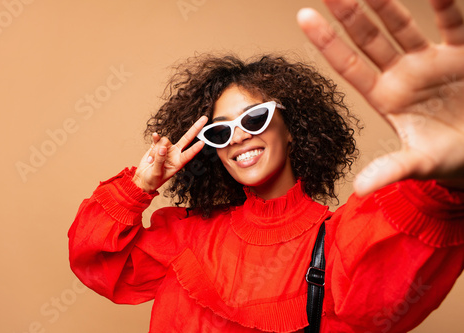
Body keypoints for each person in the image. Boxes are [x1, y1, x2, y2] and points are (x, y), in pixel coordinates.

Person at [68, 0, 464, 332]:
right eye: (220, 133)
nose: (238, 137)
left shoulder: (338, 241)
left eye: (254, 120)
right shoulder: (185, 238)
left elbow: (392, 278)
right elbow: (99, 262)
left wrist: (450, 175)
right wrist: (140, 183)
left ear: (291, 129)